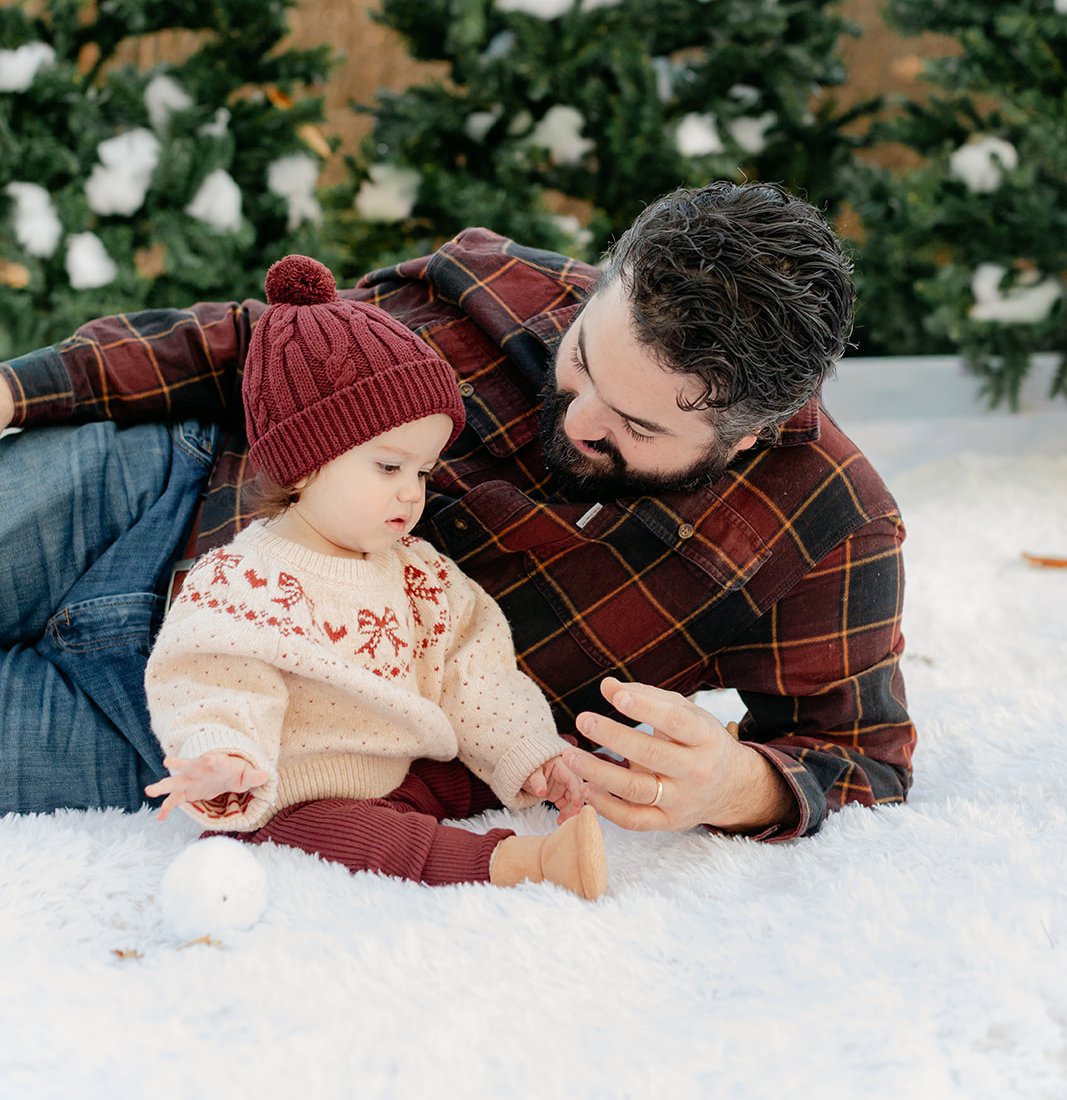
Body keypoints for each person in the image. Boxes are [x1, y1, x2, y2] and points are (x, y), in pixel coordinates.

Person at [0, 181, 915, 840]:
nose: (580, 416)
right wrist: (17, 390)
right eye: (586, 359)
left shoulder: (830, 527)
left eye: (633, 424)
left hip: (214, 728)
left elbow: (862, 757)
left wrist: (736, 785)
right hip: (147, 495)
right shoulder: (498, 286)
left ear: (749, 436)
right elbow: (259, 340)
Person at [141, 254, 606, 899]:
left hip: (402, 764)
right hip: (303, 790)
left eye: (422, 473)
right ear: (305, 466)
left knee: (477, 764)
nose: (412, 495)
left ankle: (569, 775)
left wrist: (528, 753)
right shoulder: (246, 577)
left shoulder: (419, 574)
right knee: (370, 837)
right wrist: (226, 755)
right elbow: (213, 676)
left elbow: (474, 673)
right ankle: (517, 865)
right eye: (389, 468)